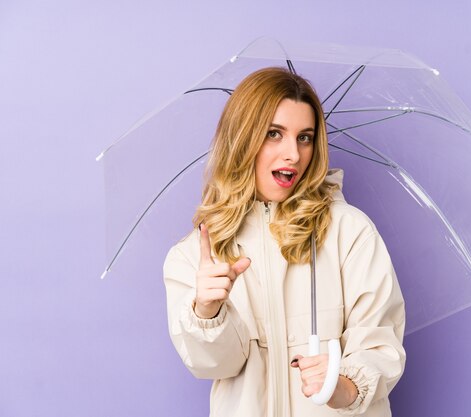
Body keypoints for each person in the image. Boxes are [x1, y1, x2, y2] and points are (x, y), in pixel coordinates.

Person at [163, 67, 405, 417]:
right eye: (274, 134)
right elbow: (214, 366)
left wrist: (342, 387)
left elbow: (380, 342)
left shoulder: (349, 233)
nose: (293, 153)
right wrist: (207, 312)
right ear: (242, 139)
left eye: (304, 137)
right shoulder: (196, 255)